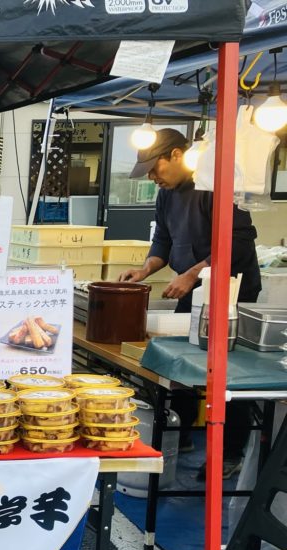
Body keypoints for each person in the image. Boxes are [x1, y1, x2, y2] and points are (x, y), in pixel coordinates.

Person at [119, 128, 261, 477]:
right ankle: (179, 435)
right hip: (191, 292)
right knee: (181, 364)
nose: (152, 178)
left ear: (177, 155)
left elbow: (238, 241)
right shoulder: (166, 195)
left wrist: (193, 274)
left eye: (155, 168)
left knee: (228, 373)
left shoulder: (213, 183)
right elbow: (163, 240)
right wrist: (145, 269)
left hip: (232, 294)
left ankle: (230, 452)